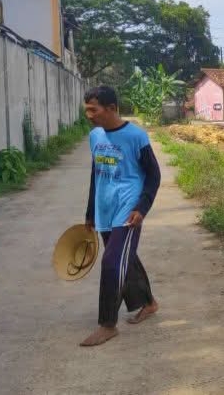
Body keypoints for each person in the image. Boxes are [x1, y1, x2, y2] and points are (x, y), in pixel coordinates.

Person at [80, 86, 161, 346]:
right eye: (86, 110)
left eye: (93, 110)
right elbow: (96, 173)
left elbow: (154, 175)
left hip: (128, 207)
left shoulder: (136, 136)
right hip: (105, 208)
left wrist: (142, 207)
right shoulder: (95, 136)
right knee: (126, 257)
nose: (89, 115)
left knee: (112, 262)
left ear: (112, 108)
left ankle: (107, 325)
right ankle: (149, 303)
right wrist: (91, 211)